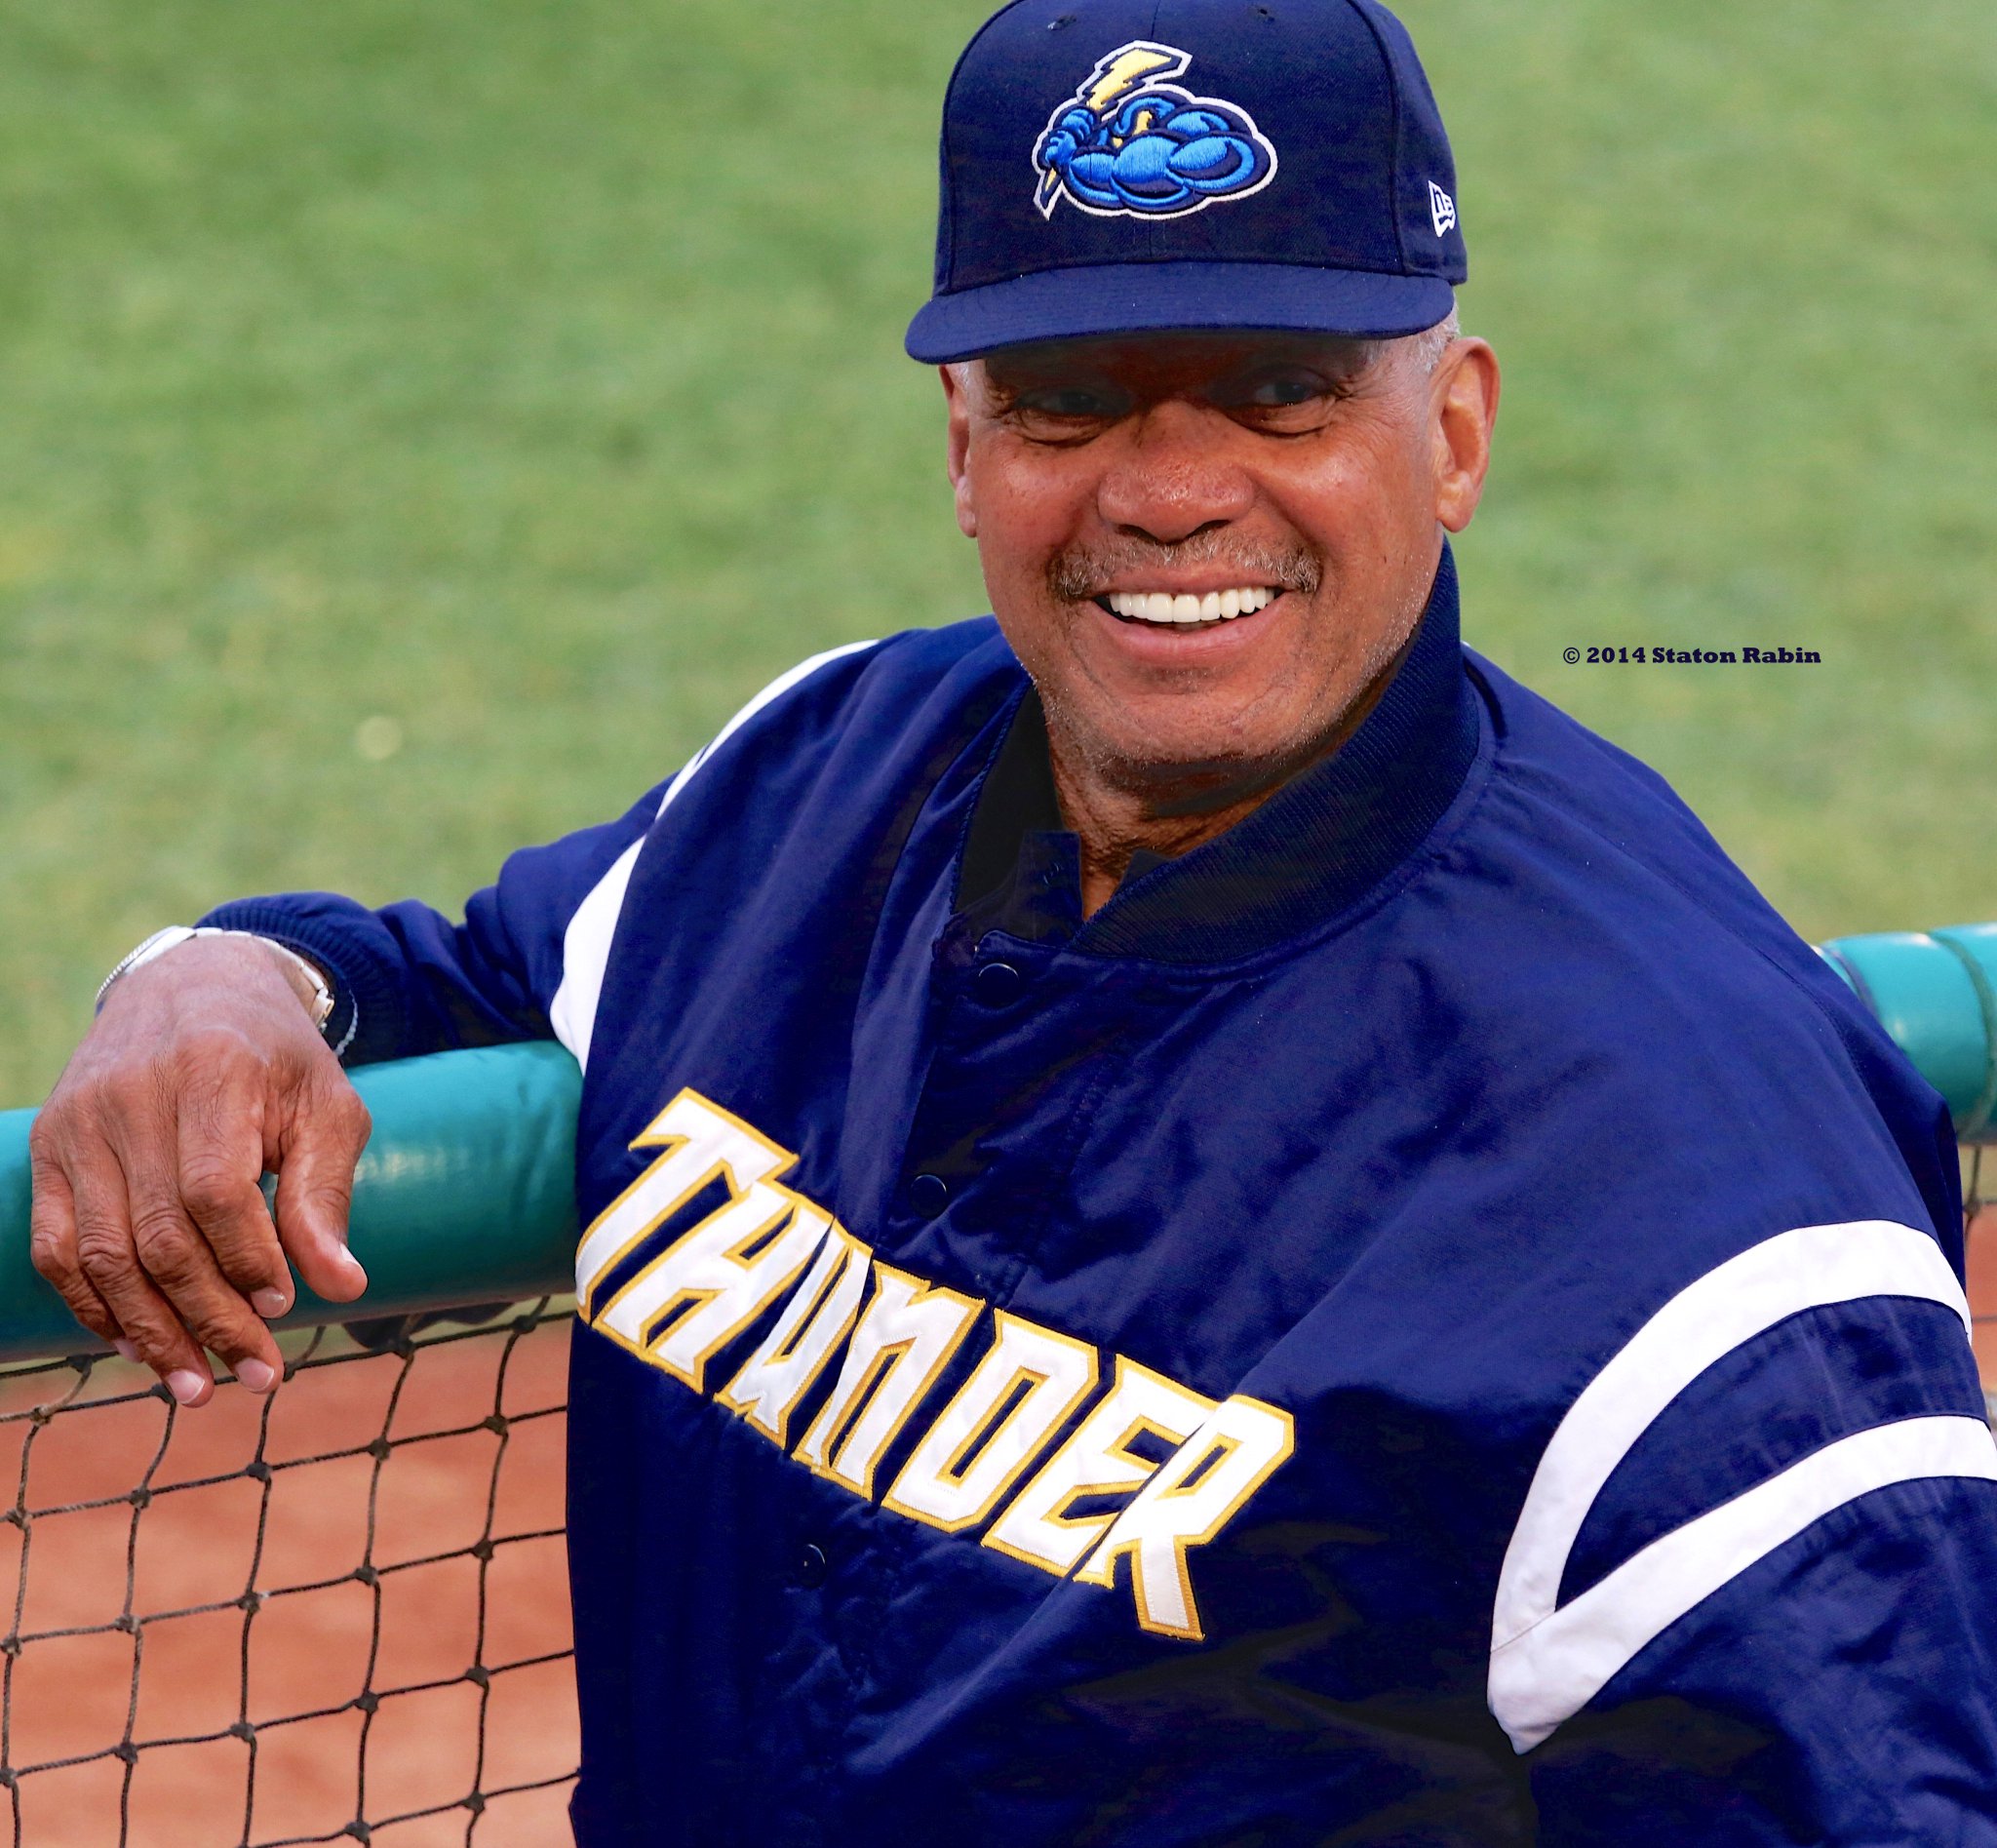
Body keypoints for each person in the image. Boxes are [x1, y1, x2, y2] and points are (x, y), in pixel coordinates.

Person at [25, 0, 1997, 1840]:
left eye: (1279, 391)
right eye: (1070, 403)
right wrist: (216, 975)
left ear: (1453, 432)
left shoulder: (1682, 1176)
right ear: (966, 450)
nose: (1167, 491)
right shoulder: (819, 784)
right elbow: (446, 988)